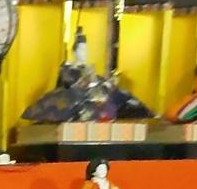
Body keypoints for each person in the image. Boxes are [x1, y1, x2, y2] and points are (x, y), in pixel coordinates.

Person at [22, 27, 152, 123]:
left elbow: (134, 108)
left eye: (83, 48)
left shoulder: (104, 87)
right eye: (80, 48)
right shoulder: (59, 94)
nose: (82, 52)